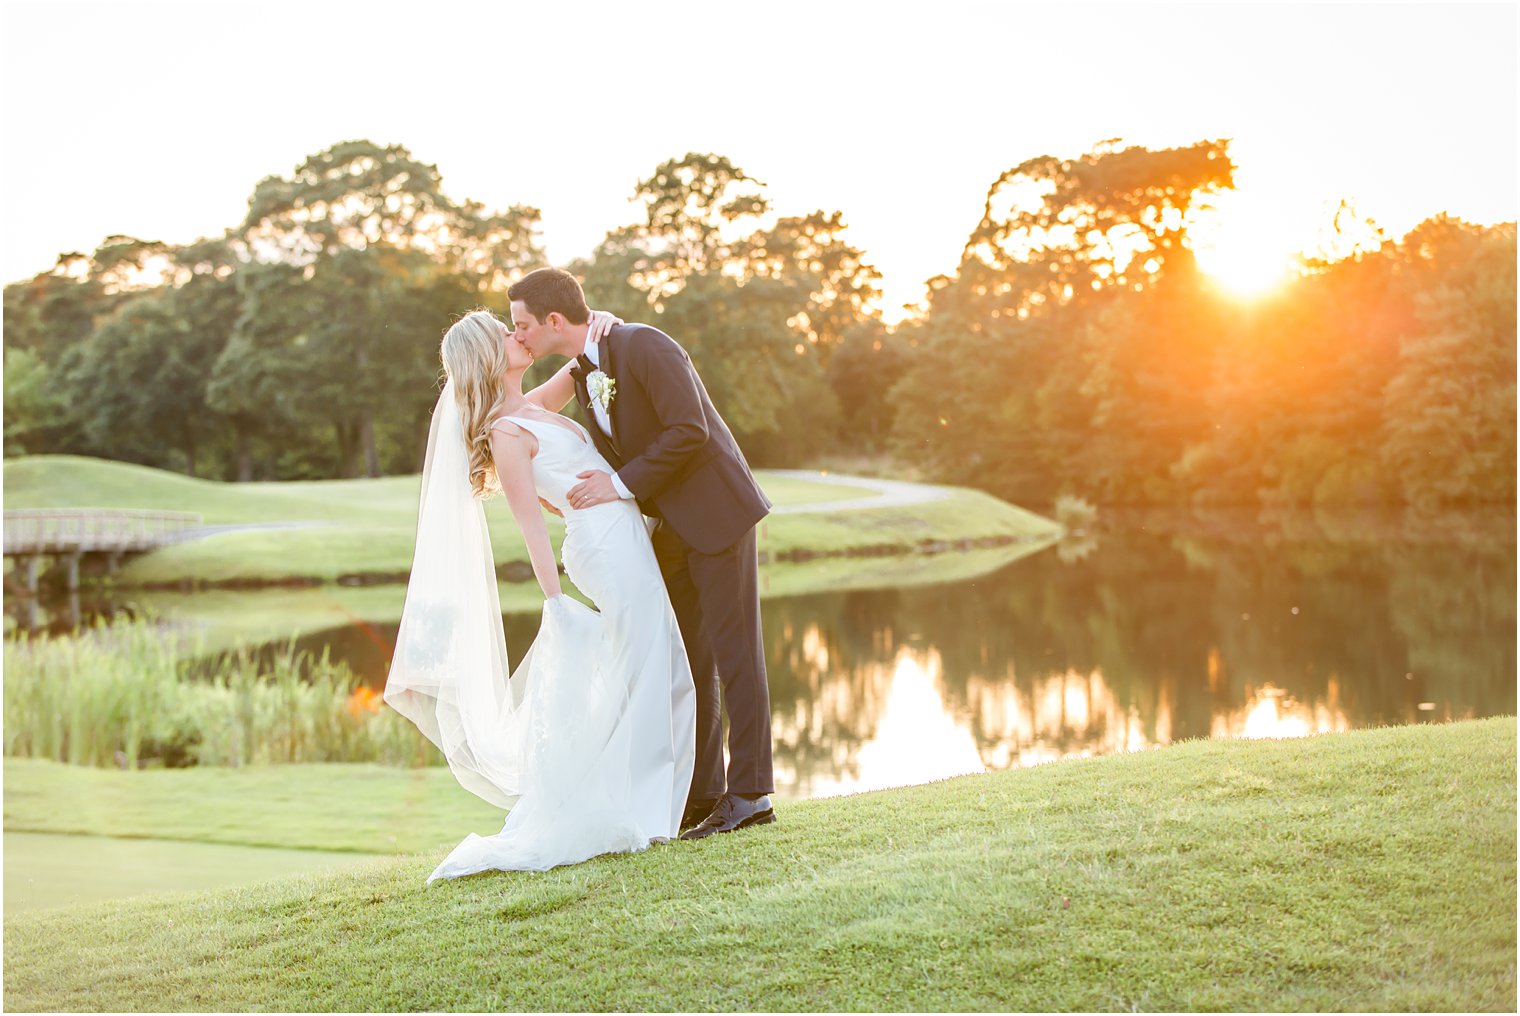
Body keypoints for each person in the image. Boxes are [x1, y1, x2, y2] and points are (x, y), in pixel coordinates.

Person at [384, 309, 696, 880]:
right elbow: (530, 522)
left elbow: (580, 366)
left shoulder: (532, 408)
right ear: (486, 356)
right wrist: (554, 604)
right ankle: (650, 818)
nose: (517, 335)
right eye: (504, 334)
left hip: (622, 538)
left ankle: (655, 808)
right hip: (604, 547)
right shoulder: (506, 432)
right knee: (655, 673)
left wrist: (600, 325)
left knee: (660, 671)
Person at [505, 267, 776, 839]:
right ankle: (702, 793)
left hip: (717, 514)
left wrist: (619, 485)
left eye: (523, 325)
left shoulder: (643, 343)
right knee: (688, 657)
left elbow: (689, 430)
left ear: (554, 320)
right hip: (670, 529)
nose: (521, 336)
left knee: (736, 654)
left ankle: (751, 793)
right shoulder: (584, 375)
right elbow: (519, 416)